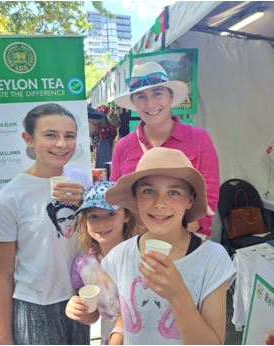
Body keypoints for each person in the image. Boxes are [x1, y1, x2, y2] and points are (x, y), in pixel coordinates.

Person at [102, 147, 235, 344]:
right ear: (136, 199)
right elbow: (126, 313)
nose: (160, 203)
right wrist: (116, 337)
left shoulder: (213, 259)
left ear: (190, 199)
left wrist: (178, 295)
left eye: (173, 192)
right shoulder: (119, 256)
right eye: (148, 191)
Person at [0, 103, 92, 344]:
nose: (61, 144)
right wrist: (4, 340)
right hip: (35, 305)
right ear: (29, 139)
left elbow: (100, 237)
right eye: (50, 135)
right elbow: (2, 277)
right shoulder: (8, 198)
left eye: (69, 136)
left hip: (77, 300)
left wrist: (87, 204)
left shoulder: (82, 181)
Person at [111, 61, 219, 238]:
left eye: (157, 93)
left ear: (171, 98)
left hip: (188, 237)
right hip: (139, 240)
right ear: (134, 104)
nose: (150, 103)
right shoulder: (123, 146)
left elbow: (210, 194)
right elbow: (118, 197)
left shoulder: (199, 139)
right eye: (140, 96)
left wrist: (186, 233)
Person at [65, 181, 137, 344]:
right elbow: (93, 315)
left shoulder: (140, 256)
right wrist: (79, 311)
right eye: (93, 216)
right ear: (85, 221)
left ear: (126, 215)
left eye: (111, 214)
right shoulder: (83, 265)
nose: (102, 223)